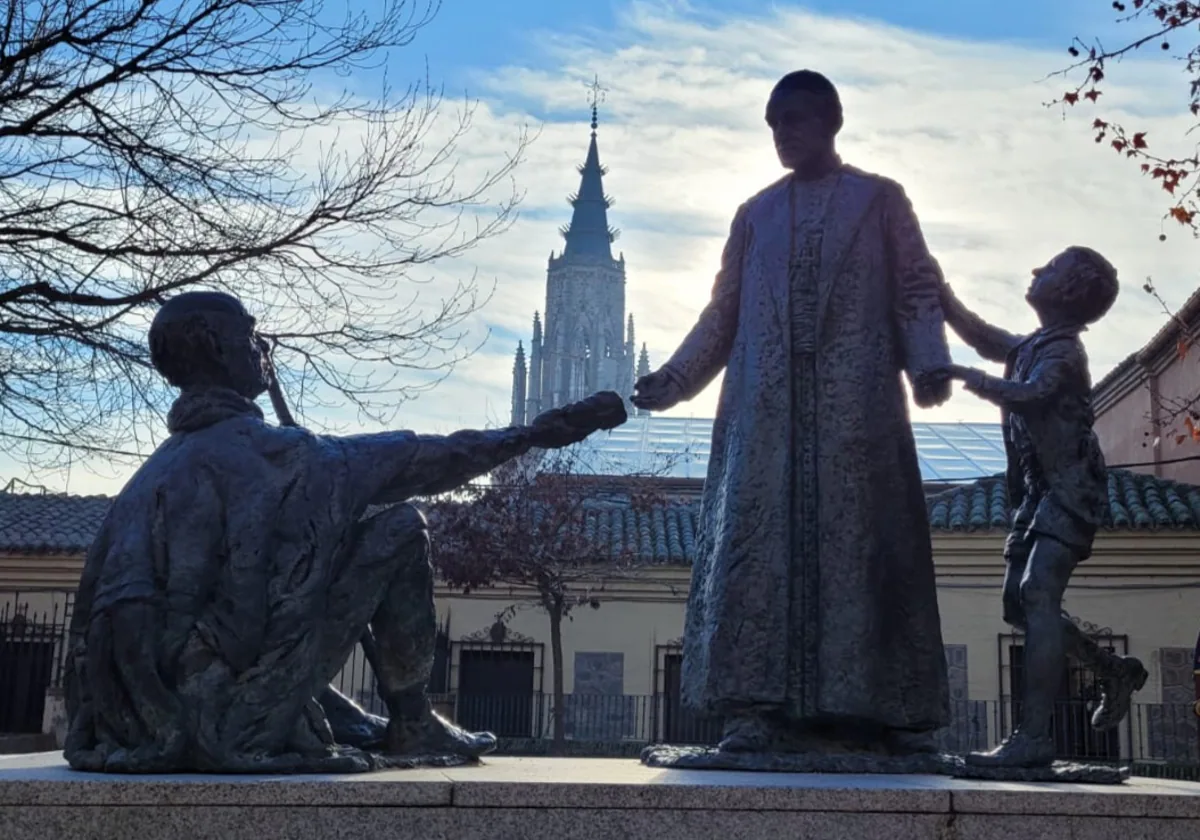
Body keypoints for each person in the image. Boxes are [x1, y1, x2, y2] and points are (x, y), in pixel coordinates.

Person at [64, 290, 626, 773]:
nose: (264, 351)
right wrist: (532, 435)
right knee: (401, 529)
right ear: (215, 345)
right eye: (252, 336)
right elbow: (422, 461)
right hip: (216, 716)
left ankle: (345, 717)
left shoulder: (153, 476)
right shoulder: (267, 453)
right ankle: (411, 722)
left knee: (288, 596)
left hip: (141, 720)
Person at [633, 70, 954, 755]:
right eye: (775, 124)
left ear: (832, 122)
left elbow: (917, 286)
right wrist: (674, 378)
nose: (784, 134)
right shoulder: (755, 213)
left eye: (796, 121)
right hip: (765, 409)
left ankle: (876, 709)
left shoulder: (880, 201)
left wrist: (928, 361)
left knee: (862, 545)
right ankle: (754, 708)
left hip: (855, 404)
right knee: (756, 550)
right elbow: (722, 311)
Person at [939, 247, 1148, 768]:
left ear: (1071, 290)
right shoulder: (1036, 343)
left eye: (1050, 267)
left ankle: (1033, 739)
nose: (1036, 270)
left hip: (1071, 490)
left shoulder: (1064, 354)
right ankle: (1111, 670)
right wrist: (941, 296)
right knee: (1019, 605)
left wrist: (964, 374)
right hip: (1038, 492)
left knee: (1036, 595)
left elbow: (1030, 395)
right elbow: (989, 338)